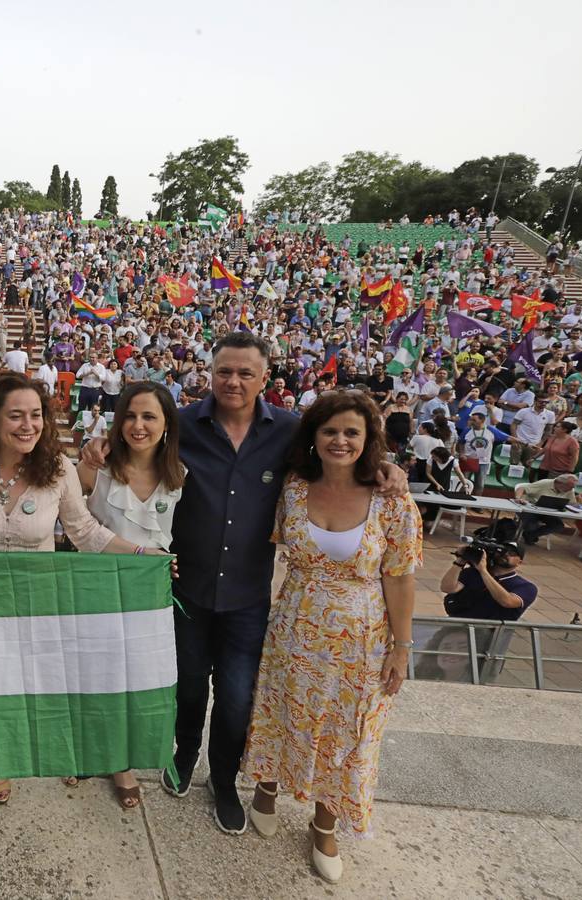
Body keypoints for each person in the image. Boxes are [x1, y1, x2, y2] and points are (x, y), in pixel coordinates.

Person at [83, 332, 406, 837]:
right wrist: (96, 444)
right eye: (224, 371)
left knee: (236, 697)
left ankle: (226, 780)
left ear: (264, 379)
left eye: (245, 373)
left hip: (247, 596)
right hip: (184, 589)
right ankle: (184, 754)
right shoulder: (182, 424)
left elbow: (338, 456)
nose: (233, 381)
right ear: (210, 372)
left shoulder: (290, 431)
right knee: (187, 686)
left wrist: (386, 467)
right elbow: (133, 444)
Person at [0, 372, 165, 820]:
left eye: (36, 416)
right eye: (16, 416)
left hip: (29, 607)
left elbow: (85, 532)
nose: (28, 425)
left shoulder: (58, 469)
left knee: (6, 693)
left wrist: (141, 552)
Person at [244, 391, 421, 884]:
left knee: (346, 730)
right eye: (330, 431)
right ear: (313, 438)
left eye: (351, 433)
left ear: (369, 442)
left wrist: (402, 649)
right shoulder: (295, 489)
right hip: (294, 628)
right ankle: (266, 788)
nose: (340, 441)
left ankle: (325, 823)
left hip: (360, 640)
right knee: (281, 709)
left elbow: (401, 577)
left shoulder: (392, 500)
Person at [76, 381, 186, 810]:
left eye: (149, 417)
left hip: (148, 597)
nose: (138, 426)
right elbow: (72, 520)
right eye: (130, 416)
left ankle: (120, 761)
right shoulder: (95, 469)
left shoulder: (180, 474)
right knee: (93, 673)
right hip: (98, 589)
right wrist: (90, 446)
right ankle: (87, 749)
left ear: (166, 424)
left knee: (133, 680)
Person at [441, 540, 536, 621]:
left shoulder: (526, 587)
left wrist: (483, 571)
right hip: (457, 623)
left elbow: (507, 601)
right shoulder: (473, 573)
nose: (505, 555)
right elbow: (447, 588)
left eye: (512, 554)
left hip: (490, 634)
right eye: (502, 551)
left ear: (519, 562)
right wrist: (460, 561)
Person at [515, 473, 581, 545]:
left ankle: (531, 535)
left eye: (572, 487)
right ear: (559, 482)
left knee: (558, 525)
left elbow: (572, 504)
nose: (571, 489)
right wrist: (518, 498)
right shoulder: (544, 483)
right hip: (531, 510)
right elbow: (521, 488)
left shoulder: (569, 490)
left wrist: (580, 502)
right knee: (531, 526)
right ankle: (530, 535)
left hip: (549, 512)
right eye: (569, 487)